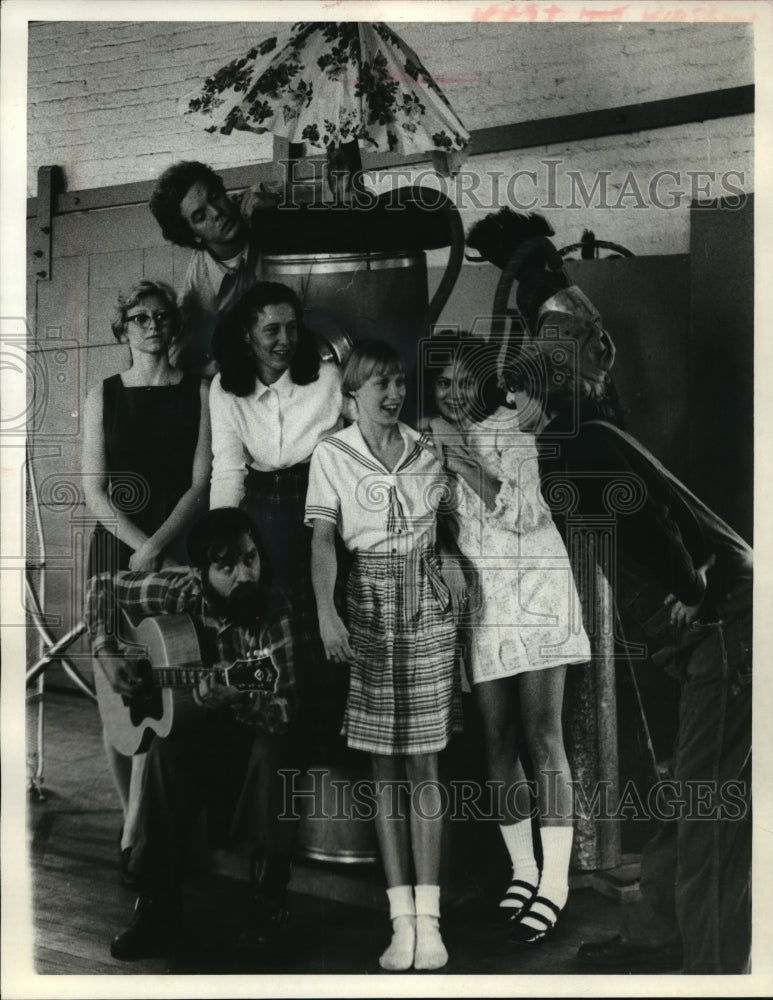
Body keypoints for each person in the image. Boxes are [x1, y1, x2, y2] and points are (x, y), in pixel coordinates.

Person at [469, 208, 752, 974]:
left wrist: (690, 599)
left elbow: (672, 549)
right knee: (688, 788)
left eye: (523, 399)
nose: (514, 411)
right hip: (716, 622)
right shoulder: (584, 437)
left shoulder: (581, 449)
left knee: (707, 807)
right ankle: (657, 933)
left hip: (726, 623)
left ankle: (711, 972)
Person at [420, 333, 591, 946]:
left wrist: (461, 457)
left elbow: (524, 512)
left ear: (484, 381)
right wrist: (445, 552)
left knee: (543, 734)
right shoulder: (427, 439)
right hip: (485, 599)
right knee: (496, 738)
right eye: (443, 383)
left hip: (538, 588)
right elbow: (431, 520)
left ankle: (556, 884)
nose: (454, 393)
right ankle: (523, 870)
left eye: (465, 380)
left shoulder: (510, 428)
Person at [306, 339, 463, 972]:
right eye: (380, 384)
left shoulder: (427, 450)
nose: (394, 394)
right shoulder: (331, 454)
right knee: (382, 766)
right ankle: (401, 921)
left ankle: (431, 921)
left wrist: (448, 555)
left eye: (399, 382)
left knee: (425, 761)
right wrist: (327, 613)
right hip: (366, 601)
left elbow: (445, 525)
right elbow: (322, 542)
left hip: (427, 600)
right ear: (352, 395)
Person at [84, 507, 300, 960]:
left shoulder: (273, 606)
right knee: (164, 752)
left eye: (250, 558)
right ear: (201, 574)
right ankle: (157, 908)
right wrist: (106, 653)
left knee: (273, 752)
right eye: (226, 567)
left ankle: (268, 904)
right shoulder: (179, 589)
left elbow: (283, 705)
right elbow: (100, 587)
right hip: (200, 729)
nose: (244, 574)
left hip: (254, 732)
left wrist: (239, 695)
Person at [82, 279, 211, 886]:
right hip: (117, 547)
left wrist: (159, 546)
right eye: (140, 317)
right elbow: (94, 488)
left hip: (177, 544)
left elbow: (201, 482)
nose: (152, 326)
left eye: (161, 317)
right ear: (123, 329)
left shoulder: (199, 391)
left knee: (166, 689)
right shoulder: (102, 394)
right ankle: (130, 822)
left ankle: (145, 827)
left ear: (174, 326)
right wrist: (139, 545)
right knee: (119, 688)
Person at [209, 280, 344, 757]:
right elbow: (228, 469)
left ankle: (329, 755)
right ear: (247, 334)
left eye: (291, 328)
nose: (284, 340)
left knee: (327, 625)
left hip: (324, 507)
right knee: (273, 633)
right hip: (262, 514)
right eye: (271, 330)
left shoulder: (328, 379)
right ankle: (278, 745)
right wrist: (220, 542)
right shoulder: (225, 389)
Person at [149, 161, 269, 374]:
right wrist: (219, 368)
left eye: (214, 197)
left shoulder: (260, 200)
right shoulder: (196, 293)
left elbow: (327, 198)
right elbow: (176, 366)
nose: (216, 212)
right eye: (200, 216)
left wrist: (279, 206)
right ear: (193, 235)